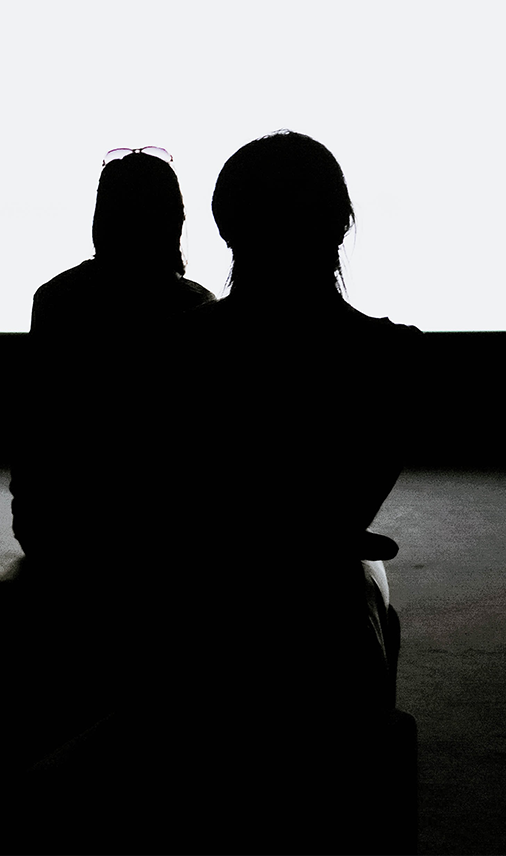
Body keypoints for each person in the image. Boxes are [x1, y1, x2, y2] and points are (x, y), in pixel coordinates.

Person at [184, 130, 424, 848]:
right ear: (340, 222)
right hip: (324, 635)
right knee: (367, 598)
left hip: (201, 627)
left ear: (228, 227)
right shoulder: (396, 358)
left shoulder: (180, 348)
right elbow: (344, 511)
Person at [9, 146, 216, 566]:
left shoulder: (54, 299)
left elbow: (35, 426)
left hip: (54, 527)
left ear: (101, 218)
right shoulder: (196, 307)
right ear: (174, 221)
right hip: (165, 531)